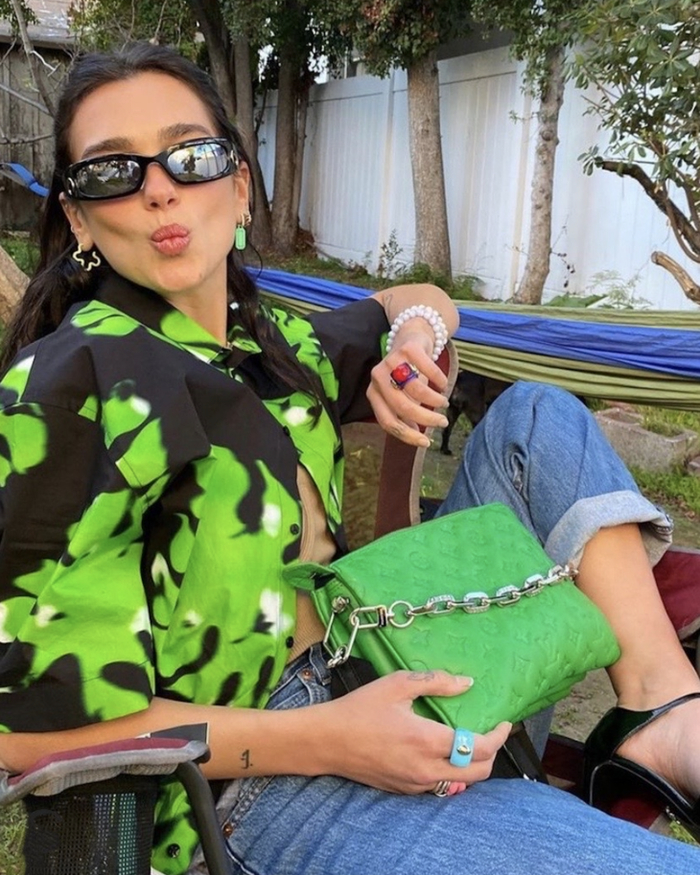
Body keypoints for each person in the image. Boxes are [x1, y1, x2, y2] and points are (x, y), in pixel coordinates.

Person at [0, 42, 698, 875]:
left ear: (240, 185)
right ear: (79, 217)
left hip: (383, 636)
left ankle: (663, 712)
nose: (160, 188)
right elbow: (23, 730)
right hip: (259, 781)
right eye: (114, 171)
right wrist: (331, 737)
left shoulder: (272, 340)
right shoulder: (69, 388)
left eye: (191, 155)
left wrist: (413, 338)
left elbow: (415, 298)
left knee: (534, 415)